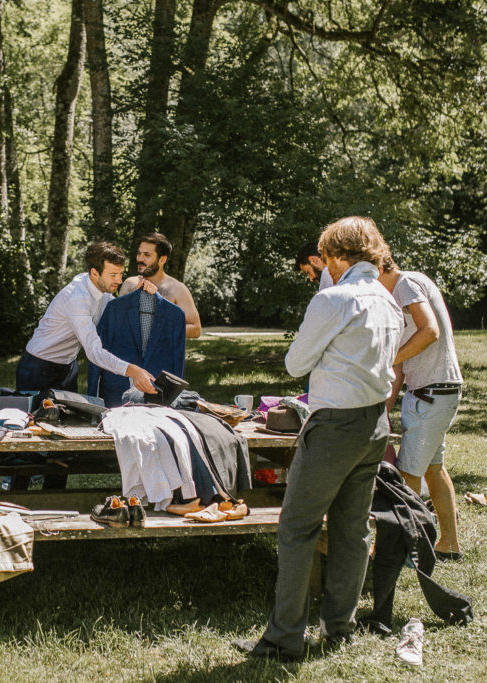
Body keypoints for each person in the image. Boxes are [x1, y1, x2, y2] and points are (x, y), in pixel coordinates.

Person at [234, 217, 403, 660]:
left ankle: (284, 637)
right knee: (352, 531)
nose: (323, 266)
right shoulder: (386, 299)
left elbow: (295, 364)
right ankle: (338, 628)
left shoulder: (334, 297)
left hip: (335, 426)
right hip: (375, 424)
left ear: (336, 256)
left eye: (325, 258)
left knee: (296, 527)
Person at [378, 256, 464, 561]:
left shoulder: (407, 284)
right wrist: (384, 410)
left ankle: (406, 549)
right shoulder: (396, 296)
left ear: (378, 267)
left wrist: (389, 358)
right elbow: (400, 366)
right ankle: (448, 544)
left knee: (406, 474)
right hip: (429, 393)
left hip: (433, 393)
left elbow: (430, 332)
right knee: (432, 468)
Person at [19, 241, 157, 398]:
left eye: (120, 274)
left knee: (69, 420)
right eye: (113, 275)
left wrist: (139, 294)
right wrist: (133, 371)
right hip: (38, 367)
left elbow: (118, 315)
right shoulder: (77, 298)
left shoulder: (102, 290)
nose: (119, 280)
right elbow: (94, 352)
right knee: (33, 421)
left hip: (68, 366)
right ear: (94, 273)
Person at [118, 232, 202, 339]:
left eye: (147, 255)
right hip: (129, 354)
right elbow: (116, 322)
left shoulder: (177, 289)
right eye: (139, 254)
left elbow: (196, 329)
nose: (140, 259)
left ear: (162, 259)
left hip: (162, 354)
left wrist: (160, 329)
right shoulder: (130, 284)